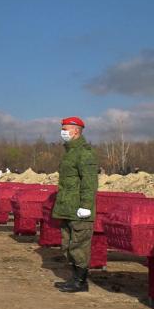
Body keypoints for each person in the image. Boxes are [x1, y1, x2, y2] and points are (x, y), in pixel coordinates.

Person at [52, 117, 98, 293]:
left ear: (76, 131)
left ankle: (81, 282)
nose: (63, 132)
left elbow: (89, 181)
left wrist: (86, 205)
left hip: (79, 209)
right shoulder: (70, 152)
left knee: (79, 245)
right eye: (62, 128)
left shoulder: (85, 153)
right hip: (67, 208)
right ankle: (74, 278)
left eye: (65, 129)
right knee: (68, 245)